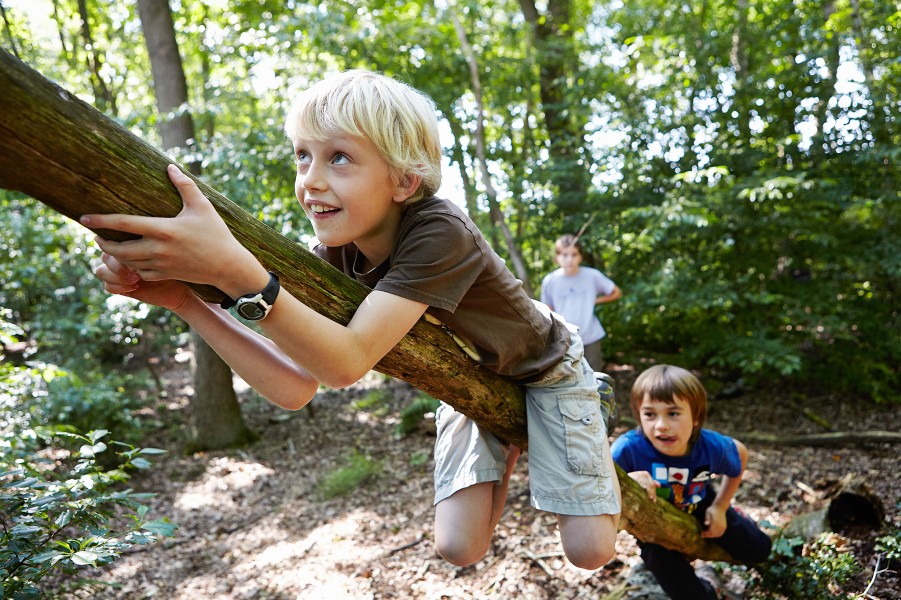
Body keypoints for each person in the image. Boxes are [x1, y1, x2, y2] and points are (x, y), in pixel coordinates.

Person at [81, 70, 621, 570]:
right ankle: (512, 445)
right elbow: (295, 387)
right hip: (472, 382)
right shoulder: (332, 257)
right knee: (459, 548)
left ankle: (593, 405)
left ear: (405, 181)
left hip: (545, 367)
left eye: (339, 157)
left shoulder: (440, 231)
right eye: (301, 157)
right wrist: (185, 300)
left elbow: (347, 364)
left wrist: (236, 269)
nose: (311, 179)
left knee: (589, 551)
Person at [610, 364, 771, 599]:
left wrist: (721, 506)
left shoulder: (710, 447)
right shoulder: (627, 449)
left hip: (701, 501)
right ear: (638, 415)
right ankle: (709, 583)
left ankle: (736, 518)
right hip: (655, 528)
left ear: (696, 417)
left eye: (673, 413)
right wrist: (630, 481)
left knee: (759, 549)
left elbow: (741, 453)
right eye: (650, 414)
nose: (661, 425)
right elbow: (603, 486)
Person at [540, 234, 621, 372]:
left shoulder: (592, 275)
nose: (569, 259)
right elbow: (547, 309)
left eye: (574, 254)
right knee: (567, 377)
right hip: (564, 340)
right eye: (565, 255)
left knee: (594, 376)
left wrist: (595, 300)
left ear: (580, 256)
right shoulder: (550, 280)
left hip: (590, 337)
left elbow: (616, 292)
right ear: (557, 256)